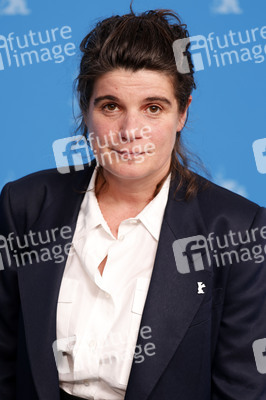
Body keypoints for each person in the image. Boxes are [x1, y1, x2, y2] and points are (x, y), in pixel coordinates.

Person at [0, 6, 266, 400]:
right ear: (86, 109)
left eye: (153, 108)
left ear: (183, 113)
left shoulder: (237, 229)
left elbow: (243, 388)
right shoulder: (23, 205)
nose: (129, 131)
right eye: (111, 106)